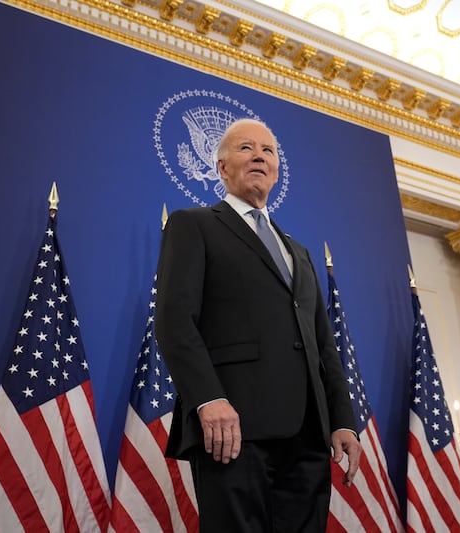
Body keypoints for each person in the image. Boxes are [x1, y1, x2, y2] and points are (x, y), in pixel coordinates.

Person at [155, 118, 361, 532]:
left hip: (307, 433)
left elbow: (324, 346)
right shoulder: (193, 224)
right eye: (246, 148)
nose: (259, 156)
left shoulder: (298, 252)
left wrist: (341, 420)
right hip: (233, 427)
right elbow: (175, 321)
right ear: (221, 167)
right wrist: (207, 398)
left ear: (277, 170)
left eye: (268, 151)